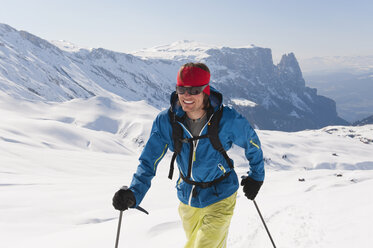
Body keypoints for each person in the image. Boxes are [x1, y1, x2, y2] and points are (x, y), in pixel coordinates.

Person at [112, 62, 265, 248]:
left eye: (194, 90)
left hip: (221, 195)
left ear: (205, 90)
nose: (186, 96)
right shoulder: (166, 121)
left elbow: (252, 143)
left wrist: (256, 176)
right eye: (181, 89)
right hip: (187, 198)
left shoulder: (227, 119)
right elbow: (148, 160)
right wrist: (135, 192)